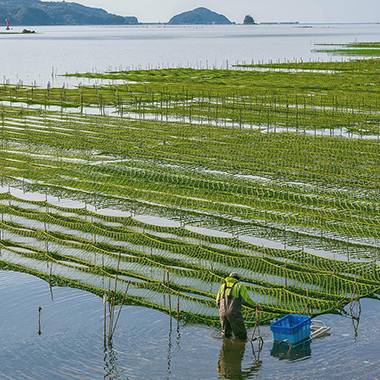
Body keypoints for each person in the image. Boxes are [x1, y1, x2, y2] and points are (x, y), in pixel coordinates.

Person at [216, 272, 256, 340]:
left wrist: (222, 310)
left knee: (226, 334)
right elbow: (245, 300)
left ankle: (225, 347)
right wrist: (256, 306)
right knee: (241, 335)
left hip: (222, 312)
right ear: (239, 279)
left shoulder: (222, 286)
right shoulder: (239, 286)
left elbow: (217, 302)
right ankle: (240, 347)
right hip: (234, 313)